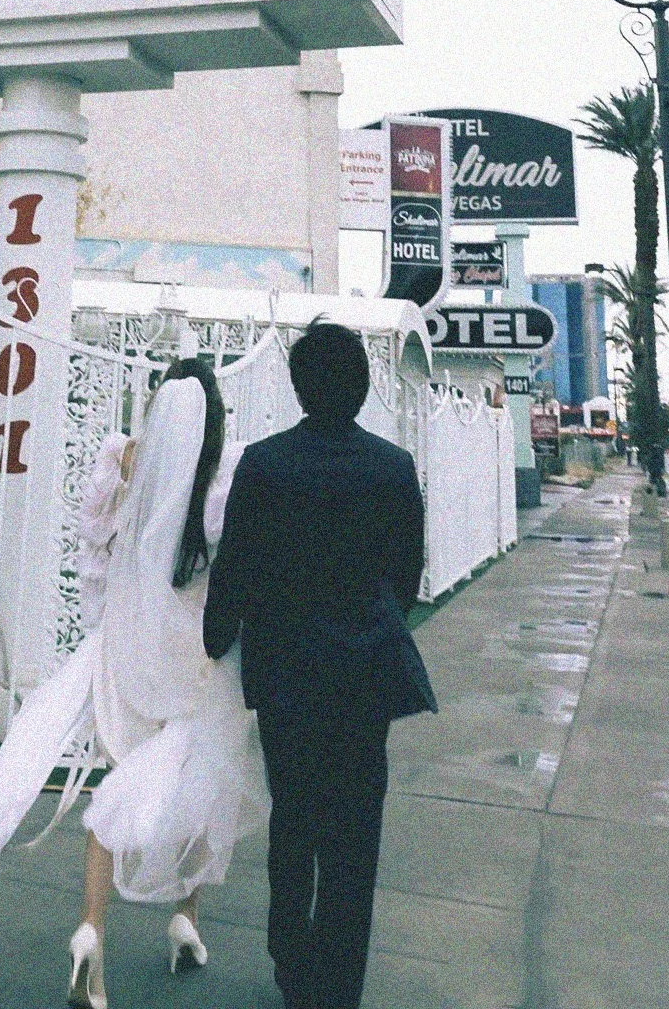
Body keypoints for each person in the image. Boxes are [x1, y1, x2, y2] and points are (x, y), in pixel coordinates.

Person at [0, 357, 267, 1009]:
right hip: (197, 653)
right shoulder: (226, 475)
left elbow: (93, 556)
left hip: (128, 648)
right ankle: (185, 914)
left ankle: (91, 930)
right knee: (201, 777)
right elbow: (236, 568)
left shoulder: (122, 462)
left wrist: (104, 629)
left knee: (119, 777)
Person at [203, 321, 434, 1009]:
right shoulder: (392, 467)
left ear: (300, 388)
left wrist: (217, 636)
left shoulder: (265, 464)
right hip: (363, 674)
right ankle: (340, 984)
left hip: (286, 676)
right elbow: (406, 575)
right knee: (355, 832)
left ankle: (291, 957)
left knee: (294, 817)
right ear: (361, 387)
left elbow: (235, 566)